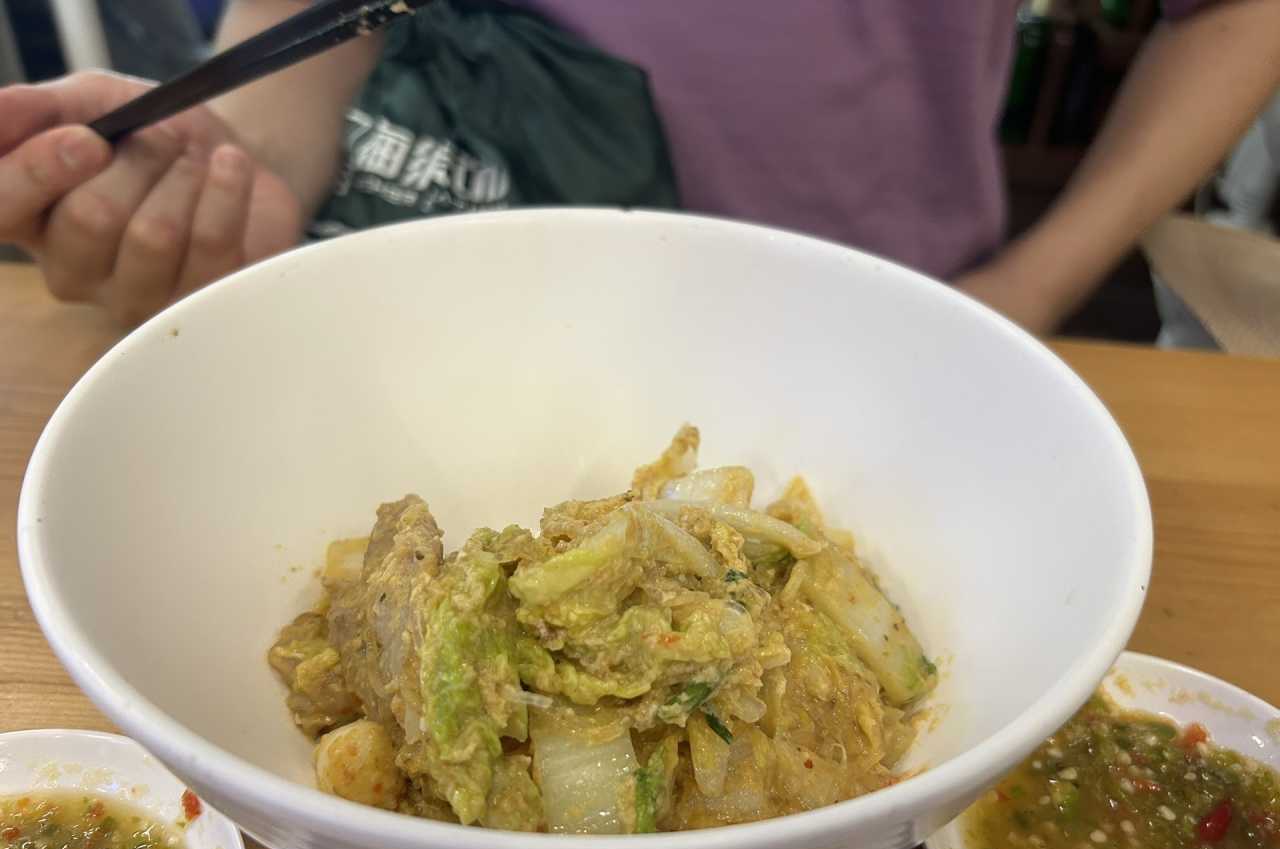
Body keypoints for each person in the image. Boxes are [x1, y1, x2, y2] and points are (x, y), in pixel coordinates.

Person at [0, 0, 1278, 331]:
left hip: (887, 311)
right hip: (448, 297)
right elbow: (318, 33)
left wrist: (1031, 286)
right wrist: (235, 173)